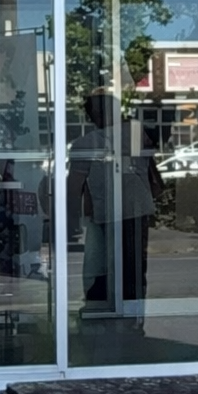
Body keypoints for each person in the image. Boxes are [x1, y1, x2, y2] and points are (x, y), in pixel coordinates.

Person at [67, 88, 163, 310]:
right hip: (137, 207)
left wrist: (70, 220)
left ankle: (102, 306)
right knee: (134, 267)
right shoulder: (136, 133)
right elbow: (153, 177)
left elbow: (74, 187)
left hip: (107, 210)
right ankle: (133, 313)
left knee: (102, 264)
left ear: (91, 116)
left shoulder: (86, 143)